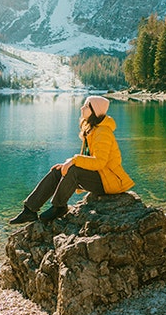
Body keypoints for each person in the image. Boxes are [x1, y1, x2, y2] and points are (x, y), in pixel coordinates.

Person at [8, 95, 135, 224]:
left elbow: (99, 162)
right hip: (100, 177)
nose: (82, 108)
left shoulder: (103, 132)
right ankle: (29, 210)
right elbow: (87, 159)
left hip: (110, 181)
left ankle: (59, 207)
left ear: (94, 111)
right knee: (58, 171)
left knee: (74, 171)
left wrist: (73, 161)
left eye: (86, 106)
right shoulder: (92, 129)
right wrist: (66, 165)